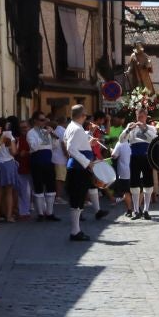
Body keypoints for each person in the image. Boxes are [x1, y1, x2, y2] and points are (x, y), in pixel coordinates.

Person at [60, 104, 97, 242]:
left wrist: (89, 144)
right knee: (77, 199)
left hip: (78, 168)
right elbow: (71, 148)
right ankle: (75, 231)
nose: (86, 116)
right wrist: (87, 162)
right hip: (78, 169)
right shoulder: (76, 128)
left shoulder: (72, 127)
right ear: (82, 115)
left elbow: (71, 144)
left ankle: (76, 230)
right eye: (85, 114)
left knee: (79, 199)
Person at [25, 112, 58, 221]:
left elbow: (54, 146)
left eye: (45, 120)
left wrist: (54, 137)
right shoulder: (30, 133)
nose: (44, 122)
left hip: (48, 162)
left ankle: (50, 213)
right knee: (38, 188)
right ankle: (40, 213)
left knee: (51, 188)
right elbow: (34, 147)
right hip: (37, 163)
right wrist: (45, 135)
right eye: (41, 120)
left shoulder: (46, 132)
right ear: (35, 121)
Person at [0, 117, 21, 224]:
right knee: (9, 192)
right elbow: (13, 152)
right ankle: (9, 216)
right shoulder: (9, 135)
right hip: (8, 163)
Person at [123, 110, 155, 218]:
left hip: (147, 157)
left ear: (146, 117)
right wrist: (128, 130)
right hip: (135, 157)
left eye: (142, 116)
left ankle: (146, 210)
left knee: (148, 184)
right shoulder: (131, 127)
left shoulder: (151, 128)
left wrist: (144, 129)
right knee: (134, 184)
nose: (139, 119)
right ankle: (136, 210)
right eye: (138, 117)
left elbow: (154, 139)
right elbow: (121, 140)